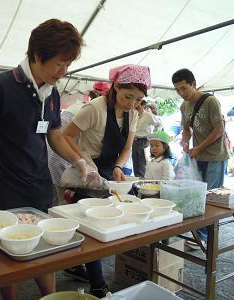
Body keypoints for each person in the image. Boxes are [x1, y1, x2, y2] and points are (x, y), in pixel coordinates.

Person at [0, 19, 95, 300]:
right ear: (36, 56)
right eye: (59, 63)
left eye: (68, 64)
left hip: (39, 186)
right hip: (6, 188)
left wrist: (79, 161)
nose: (64, 71)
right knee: (10, 257)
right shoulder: (0, 87)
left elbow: (55, 136)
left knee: (45, 250)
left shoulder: (52, 92)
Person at [63, 64, 151, 297]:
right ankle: (98, 285)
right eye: (127, 96)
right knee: (92, 230)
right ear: (115, 87)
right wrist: (83, 161)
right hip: (89, 174)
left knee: (114, 222)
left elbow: (127, 146)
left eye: (138, 99)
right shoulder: (95, 109)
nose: (131, 103)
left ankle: (81, 267)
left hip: (111, 172)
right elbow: (66, 135)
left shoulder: (133, 113)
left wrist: (118, 166)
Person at [172, 68, 229, 248]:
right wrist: (185, 142)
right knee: (197, 196)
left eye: (184, 88)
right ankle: (201, 235)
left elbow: (219, 129)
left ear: (194, 84)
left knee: (211, 197)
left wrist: (199, 148)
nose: (182, 93)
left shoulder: (210, 101)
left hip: (215, 157)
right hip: (197, 156)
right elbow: (187, 129)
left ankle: (206, 237)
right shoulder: (184, 106)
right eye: (178, 90)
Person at [132, 100, 162, 177]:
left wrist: (154, 136)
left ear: (143, 106)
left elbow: (159, 124)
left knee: (142, 164)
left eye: (138, 104)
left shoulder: (148, 115)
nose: (136, 106)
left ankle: (144, 183)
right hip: (134, 141)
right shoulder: (133, 114)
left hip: (144, 140)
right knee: (136, 164)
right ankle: (137, 183)